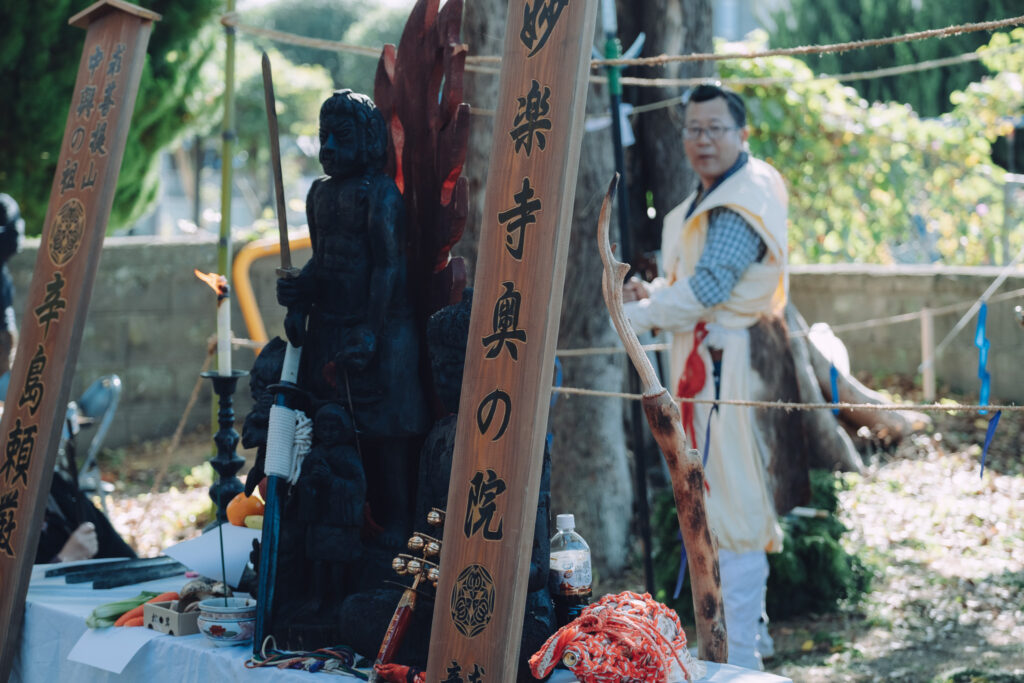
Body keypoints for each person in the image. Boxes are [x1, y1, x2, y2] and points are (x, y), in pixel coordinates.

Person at [622, 83, 789, 670]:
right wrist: (654, 295)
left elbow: (712, 289)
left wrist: (637, 314)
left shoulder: (745, 195)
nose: (703, 140)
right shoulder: (712, 195)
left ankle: (740, 654)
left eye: (715, 128)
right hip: (705, 361)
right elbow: (691, 282)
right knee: (714, 496)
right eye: (694, 129)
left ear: (740, 133)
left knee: (732, 505)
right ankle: (748, 638)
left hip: (728, 367)